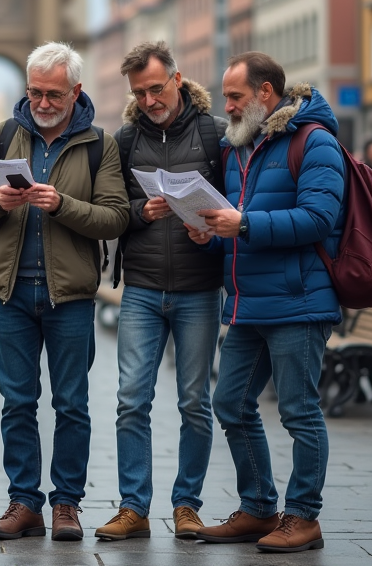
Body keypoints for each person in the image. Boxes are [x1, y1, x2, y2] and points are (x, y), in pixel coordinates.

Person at [0, 42, 129, 543]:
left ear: (75, 91)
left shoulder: (100, 144)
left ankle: (67, 505)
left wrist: (62, 205)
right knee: (17, 402)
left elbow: (115, 217)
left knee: (72, 404)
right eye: (35, 91)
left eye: (53, 93)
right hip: (11, 292)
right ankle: (23, 502)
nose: (43, 101)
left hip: (70, 295)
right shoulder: (4, 134)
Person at [186, 53, 345, 554]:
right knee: (230, 402)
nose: (226, 106)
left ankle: (303, 517)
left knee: (299, 411)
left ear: (266, 94)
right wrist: (207, 235)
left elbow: (319, 218)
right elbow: (236, 224)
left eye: (235, 97)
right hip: (249, 302)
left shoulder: (314, 142)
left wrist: (244, 225)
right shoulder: (240, 149)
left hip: (299, 301)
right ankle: (258, 508)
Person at [96, 42, 226, 541]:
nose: (150, 99)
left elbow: (235, 205)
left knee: (195, 400)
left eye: (156, 87)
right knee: (132, 399)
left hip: (198, 288)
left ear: (177, 79)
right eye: (139, 92)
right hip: (144, 289)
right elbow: (113, 207)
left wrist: (211, 229)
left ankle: (187, 506)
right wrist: (138, 212)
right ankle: (134, 507)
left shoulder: (215, 135)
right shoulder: (125, 140)